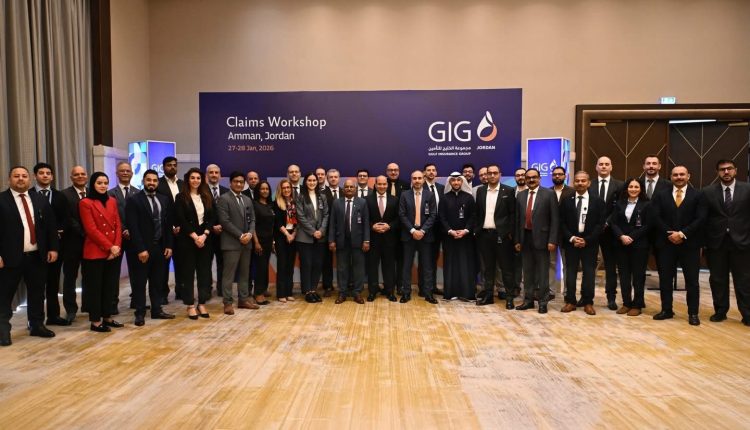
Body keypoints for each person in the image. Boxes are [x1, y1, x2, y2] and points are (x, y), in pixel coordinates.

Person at [0, 166, 60, 346]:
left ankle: (36, 325)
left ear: (29, 179)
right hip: (9, 258)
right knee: (4, 296)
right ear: (9, 179)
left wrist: (53, 248)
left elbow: (50, 226)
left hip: (36, 256)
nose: (20, 179)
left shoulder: (39, 199)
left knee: (37, 293)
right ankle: (3, 331)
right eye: (16, 176)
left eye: (24, 176)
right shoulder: (1, 200)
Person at [650, 165, 706, 326]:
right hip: (666, 243)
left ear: (688, 176)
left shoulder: (698, 195)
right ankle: (666, 310)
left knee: (692, 281)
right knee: (665, 279)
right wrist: (670, 234)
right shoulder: (661, 195)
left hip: (690, 244)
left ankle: (693, 313)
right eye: (675, 175)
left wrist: (682, 234)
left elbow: (701, 218)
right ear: (671, 177)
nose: (679, 177)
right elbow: (655, 217)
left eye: (682, 174)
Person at [125, 169, 176, 326]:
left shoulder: (164, 199)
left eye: (154, 180)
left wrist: (169, 245)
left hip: (160, 247)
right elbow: (133, 227)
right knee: (140, 283)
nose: (151, 183)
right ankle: (140, 313)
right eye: (149, 180)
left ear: (158, 182)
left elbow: (167, 225)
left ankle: (156, 310)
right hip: (142, 249)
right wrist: (141, 249)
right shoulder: (134, 200)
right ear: (143, 181)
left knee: (157, 281)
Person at [703, 159, 750, 326]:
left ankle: (747, 313)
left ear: (735, 170)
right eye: (722, 169)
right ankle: (720, 311)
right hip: (717, 243)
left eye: (729, 169)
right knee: (717, 279)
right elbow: (704, 219)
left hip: (743, 243)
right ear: (718, 172)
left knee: (744, 280)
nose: (726, 172)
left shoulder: (747, 189)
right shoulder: (708, 192)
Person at [79, 172, 124, 332]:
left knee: (110, 286)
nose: (103, 186)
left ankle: (107, 316)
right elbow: (91, 230)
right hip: (95, 251)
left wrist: (116, 246)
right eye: (99, 183)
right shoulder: (85, 202)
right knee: (95, 288)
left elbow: (118, 224)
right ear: (93, 184)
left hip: (113, 251)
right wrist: (110, 246)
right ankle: (95, 321)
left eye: (105, 183)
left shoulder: (112, 200)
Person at [559, 171, 606, 316]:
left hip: (590, 243)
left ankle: (588, 302)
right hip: (571, 243)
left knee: (589, 273)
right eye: (577, 180)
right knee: (570, 273)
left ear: (588, 183)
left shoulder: (598, 201)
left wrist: (587, 240)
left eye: (583, 181)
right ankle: (570, 301)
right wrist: (572, 238)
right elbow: (561, 222)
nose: (580, 183)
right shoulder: (566, 200)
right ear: (573, 182)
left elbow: (600, 224)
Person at [31, 162, 70, 326]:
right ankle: (34, 319)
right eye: (41, 173)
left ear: (52, 176)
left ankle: (53, 316)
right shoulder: (28, 195)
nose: (45, 175)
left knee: (53, 283)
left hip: (56, 246)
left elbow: (66, 217)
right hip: (34, 248)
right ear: (35, 176)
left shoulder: (60, 196)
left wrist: (59, 230)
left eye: (48, 173)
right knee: (36, 286)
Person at [514, 168, 558, 314]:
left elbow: (555, 219)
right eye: (528, 178)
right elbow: (518, 219)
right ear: (525, 180)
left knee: (543, 272)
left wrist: (552, 240)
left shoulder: (549, 194)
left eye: (534, 177)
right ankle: (528, 300)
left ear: (539, 178)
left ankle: (543, 302)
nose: (531, 180)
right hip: (525, 238)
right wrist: (517, 240)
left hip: (543, 239)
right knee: (527, 272)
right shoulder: (521, 195)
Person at [174, 168, 215, 319]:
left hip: (205, 240)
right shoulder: (180, 197)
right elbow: (181, 219)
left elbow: (212, 217)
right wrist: (194, 237)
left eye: (198, 178)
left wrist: (205, 235)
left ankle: (202, 303)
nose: (196, 180)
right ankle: (190, 305)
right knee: (188, 273)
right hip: (188, 240)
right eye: (193, 178)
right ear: (188, 179)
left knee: (204, 273)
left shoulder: (207, 196)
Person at [474, 164, 516, 307]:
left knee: (506, 269)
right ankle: (488, 296)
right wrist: (477, 230)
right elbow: (477, 213)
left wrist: (509, 233)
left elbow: (513, 214)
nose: (492, 175)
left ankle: (509, 298)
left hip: (502, 236)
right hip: (485, 235)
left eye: (495, 173)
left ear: (500, 174)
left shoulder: (508, 191)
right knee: (488, 269)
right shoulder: (481, 191)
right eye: (489, 173)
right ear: (486, 175)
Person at [216, 171, 257, 315]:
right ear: (230, 183)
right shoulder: (224, 199)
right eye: (236, 181)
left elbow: (253, 219)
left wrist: (250, 234)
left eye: (241, 182)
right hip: (231, 243)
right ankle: (227, 302)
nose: (239, 184)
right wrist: (240, 235)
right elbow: (224, 221)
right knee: (229, 275)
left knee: (245, 273)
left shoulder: (247, 199)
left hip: (247, 242)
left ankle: (243, 300)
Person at [609, 178, 650, 316]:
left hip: (639, 245)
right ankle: (626, 303)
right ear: (626, 188)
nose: (633, 189)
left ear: (641, 189)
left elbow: (648, 225)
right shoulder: (619, 203)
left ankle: (637, 304)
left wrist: (632, 237)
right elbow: (613, 222)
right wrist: (621, 236)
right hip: (621, 244)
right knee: (624, 275)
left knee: (638, 276)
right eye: (630, 186)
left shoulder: (647, 204)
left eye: (636, 187)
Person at [590, 156, 624, 310]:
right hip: (592, 230)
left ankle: (611, 298)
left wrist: (607, 222)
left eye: (606, 164)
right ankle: (586, 297)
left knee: (610, 267)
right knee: (589, 266)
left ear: (611, 167)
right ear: (596, 167)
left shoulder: (620, 185)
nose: (603, 166)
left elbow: (620, 208)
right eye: (601, 164)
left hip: (610, 231)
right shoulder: (589, 184)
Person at [399, 170, 438, 304]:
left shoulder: (430, 195)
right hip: (408, 235)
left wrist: (422, 231)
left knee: (427, 266)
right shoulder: (404, 195)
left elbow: (433, 215)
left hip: (425, 236)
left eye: (419, 178)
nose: (417, 180)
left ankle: (428, 293)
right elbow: (402, 214)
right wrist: (412, 230)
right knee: (406, 266)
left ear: (423, 179)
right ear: (411, 179)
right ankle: (406, 293)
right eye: (414, 178)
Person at [329, 179, 370, 303]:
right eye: (347, 187)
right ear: (343, 189)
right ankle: (342, 293)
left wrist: (366, 240)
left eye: (351, 187)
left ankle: (357, 293)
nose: (349, 189)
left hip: (358, 241)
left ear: (355, 189)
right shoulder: (337, 203)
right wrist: (331, 240)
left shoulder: (362, 202)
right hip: (341, 241)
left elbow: (366, 223)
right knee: (342, 268)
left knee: (358, 269)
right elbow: (332, 223)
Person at [439, 173, 476, 301]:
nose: (456, 183)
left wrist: (465, 230)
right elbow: (441, 217)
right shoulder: (444, 198)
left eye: (458, 180)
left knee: (465, 264)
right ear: (450, 182)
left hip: (466, 238)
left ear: (462, 182)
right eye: (453, 180)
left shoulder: (469, 198)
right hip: (449, 237)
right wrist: (450, 231)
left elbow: (473, 216)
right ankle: (450, 293)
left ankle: (467, 294)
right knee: (450, 264)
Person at [295, 172, 329, 303]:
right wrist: (313, 231)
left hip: (320, 236)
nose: (312, 182)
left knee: (317, 264)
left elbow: (326, 214)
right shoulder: (300, 196)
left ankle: (313, 290)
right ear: (305, 182)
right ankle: (307, 291)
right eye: (309, 180)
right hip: (305, 236)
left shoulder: (322, 196)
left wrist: (321, 230)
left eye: (314, 180)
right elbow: (300, 216)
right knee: (307, 264)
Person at [60, 165, 88, 322]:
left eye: (82, 174)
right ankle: (71, 310)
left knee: (90, 276)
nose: (80, 176)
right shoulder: (64, 195)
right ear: (71, 177)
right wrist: (85, 232)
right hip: (71, 243)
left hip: (91, 244)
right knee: (70, 278)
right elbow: (68, 218)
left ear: (87, 176)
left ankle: (88, 306)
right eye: (76, 174)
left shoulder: (93, 192)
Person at [365, 175, 399, 302]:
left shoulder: (395, 200)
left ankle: (390, 291)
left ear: (387, 185)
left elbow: (399, 218)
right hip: (373, 239)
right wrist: (372, 226)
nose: (382, 186)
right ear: (375, 185)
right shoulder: (367, 200)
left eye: (384, 184)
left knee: (389, 266)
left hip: (389, 239)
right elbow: (364, 218)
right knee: (372, 267)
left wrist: (389, 226)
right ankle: (372, 291)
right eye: (379, 184)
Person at [107, 161, 134, 314]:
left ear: (132, 173)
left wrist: (132, 230)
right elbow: (111, 216)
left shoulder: (138, 192)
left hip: (134, 238)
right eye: (122, 171)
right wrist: (123, 229)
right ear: (117, 174)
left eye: (127, 171)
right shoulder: (109, 194)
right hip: (116, 239)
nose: (125, 173)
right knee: (113, 273)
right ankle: (112, 303)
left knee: (136, 271)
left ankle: (136, 300)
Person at [156, 156, 183, 303]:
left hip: (182, 231)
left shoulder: (183, 184)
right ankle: (162, 294)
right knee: (163, 264)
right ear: (163, 167)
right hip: (164, 230)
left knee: (181, 263)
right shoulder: (158, 184)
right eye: (169, 165)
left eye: (174, 165)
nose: (172, 167)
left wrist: (181, 226)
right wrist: (171, 226)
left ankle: (181, 291)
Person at [549, 166, 575, 299]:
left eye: (560, 174)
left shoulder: (572, 192)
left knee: (568, 265)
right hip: (551, 234)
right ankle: (550, 291)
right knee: (551, 263)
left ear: (565, 176)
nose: (557, 176)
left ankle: (567, 292)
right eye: (555, 174)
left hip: (567, 234)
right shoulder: (546, 192)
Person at [385, 162, 408, 295]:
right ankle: (389, 286)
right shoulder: (382, 184)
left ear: (399, 171)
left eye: (395, 170)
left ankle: (400, 286)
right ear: (387, 172)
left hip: (401, 230)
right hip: (386, 230)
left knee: (401, 261)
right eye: (390, 170)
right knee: (388, 261)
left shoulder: (405, 185)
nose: (393, 172)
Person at [206, 164, 229, 298]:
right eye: (211, 172)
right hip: (207, 234)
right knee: (206, 263)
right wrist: (211, 227)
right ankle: (207, 289)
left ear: (220, 175)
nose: (214, 175)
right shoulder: (201, 191)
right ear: (207, 175)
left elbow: (229, 213)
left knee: (223, 263)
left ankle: (221, 289)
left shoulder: (226, 191)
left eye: (216, 173)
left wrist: (222, 226)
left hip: (223, 234)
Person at [273, 179, 297, 302]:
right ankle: (281, 293)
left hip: (293, 236)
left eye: (288, 187)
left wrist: (293, 234)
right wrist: (287, 234)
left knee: (290, 266)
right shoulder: (276, 203)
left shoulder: (295, 203)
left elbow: (299, 221)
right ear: (280, 190)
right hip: (281, 237)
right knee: (282, 265)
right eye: (284, 188)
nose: (286, 190)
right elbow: (277, 222)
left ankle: (289, 292)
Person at [422, 163, 444, 296]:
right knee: (425, 258)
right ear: (424, 173)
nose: (431, 172)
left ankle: (433, 286)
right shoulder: (420, 186)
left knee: (434, 257)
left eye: (433, 170)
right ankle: (424, 287)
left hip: (438, 228)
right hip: (424, 228)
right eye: (428, 170)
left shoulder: (441, 188)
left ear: (436, 173)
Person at [251, 181, 274, 305]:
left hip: (269, 240)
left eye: (267, 189)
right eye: (262, 189)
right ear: (258, 191)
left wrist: (273, 241)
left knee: (265, 266)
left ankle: (263, 289)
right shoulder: (254, 204)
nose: (265, 191)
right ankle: (258, 294)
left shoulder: (269, 205)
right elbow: (252, 225)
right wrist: (256, 242)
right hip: (259, 241)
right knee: (260, 267)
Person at [321, 168, 342, 297]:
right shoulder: (321, 193)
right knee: (327, 261)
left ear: (339, 178)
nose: (333, 179)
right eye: (331, 177)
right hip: (327, 232)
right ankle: (328, 286)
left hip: (344, 232)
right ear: (327, 179)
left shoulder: (346, 192)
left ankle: (345, 285)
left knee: (344, 260)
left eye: (335, 177)